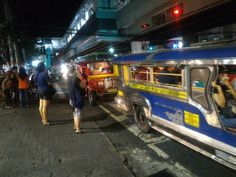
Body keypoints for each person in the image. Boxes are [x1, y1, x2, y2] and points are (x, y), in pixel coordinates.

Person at [67, 66, 86, 133]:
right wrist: (83, 79)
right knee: (78, 114)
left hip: (71, 98)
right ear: (74, 71)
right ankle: (78, 129)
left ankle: (75, 126)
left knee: (75, 113)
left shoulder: (68, 78)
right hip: (77, 99)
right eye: (77, 70)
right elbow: (83, 86)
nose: (78, 71)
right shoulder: (76, 79)